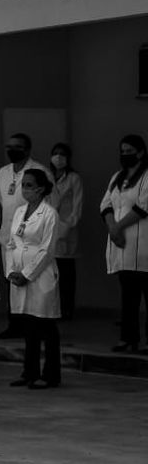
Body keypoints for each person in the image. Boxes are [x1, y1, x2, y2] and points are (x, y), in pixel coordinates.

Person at [6, 168, 61, 388]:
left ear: (40, 188)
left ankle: (50, 375)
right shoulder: (20, 211)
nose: (24, 189)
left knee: (45, 325)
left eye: (29, 185)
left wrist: (27, 274)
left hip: (40, 275)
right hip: (18, 274)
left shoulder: (49, 214)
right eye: (23, 185)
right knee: (28, 326)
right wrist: (11, 270)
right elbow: (11, 243)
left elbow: (47, 250)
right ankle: (29, 372)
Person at [0, 133, 46, 339]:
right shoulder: (2, 173)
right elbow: (4, 202)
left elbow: (48, 203)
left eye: (17, 147)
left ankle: (33, 326)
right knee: (11, 280)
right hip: (8, 237)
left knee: (31, 280)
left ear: (27, 149)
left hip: (31, 238)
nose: (12, 150)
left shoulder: (40, 171)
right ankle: (14, 325)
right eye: (9, 146)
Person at [101, 135, 148, 353]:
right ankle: (128, 339)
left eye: (129, 151)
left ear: (141, 152)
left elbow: (143, 207)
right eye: (122, 151)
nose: (125, 154)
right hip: (122, 246)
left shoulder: (146, 176)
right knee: (128, 297)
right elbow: (106, 204)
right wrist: (112, 227)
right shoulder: (117, 177)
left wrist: (117, 227)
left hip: (143, 245)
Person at [47, 143, 84, 320]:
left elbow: (77, 206)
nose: (58, 157)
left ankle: (67, 308)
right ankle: (54, 308)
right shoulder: (47, 177)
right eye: (55, 153)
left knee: (66, 272)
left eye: (62, 154)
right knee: (51, 273)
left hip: (67, 230)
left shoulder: (73, 178)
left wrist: (67, 226)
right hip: (48, 228)